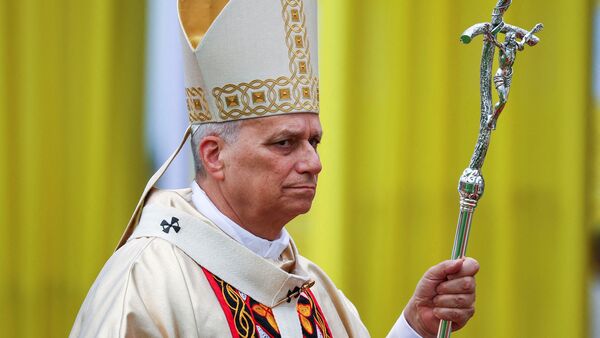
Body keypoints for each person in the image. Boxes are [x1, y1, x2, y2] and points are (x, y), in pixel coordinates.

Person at [70, 0, 478, 337]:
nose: (313, 163)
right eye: (285, 143)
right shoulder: (148, 283)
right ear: (214, 156)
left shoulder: (311, 287)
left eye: (314, 141)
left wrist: (414, 328)